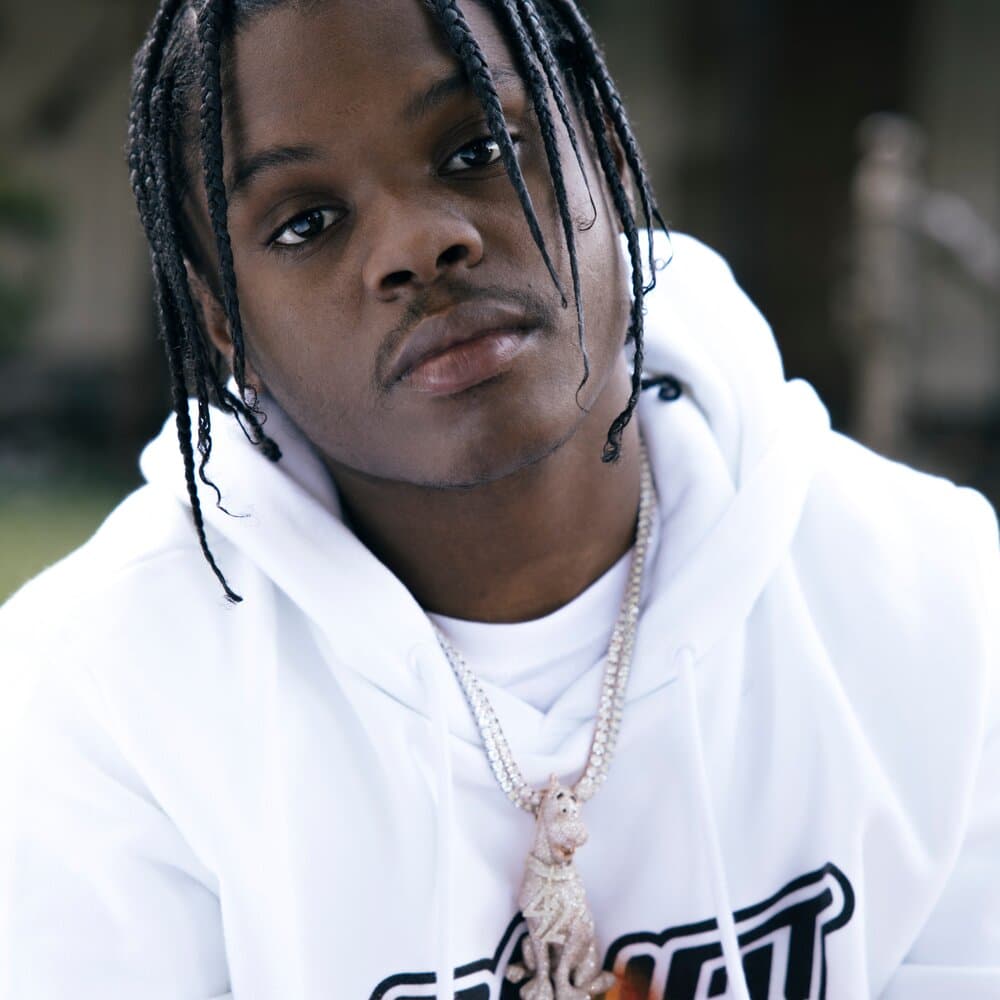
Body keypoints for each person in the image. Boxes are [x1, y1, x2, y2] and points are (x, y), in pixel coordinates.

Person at [0, 1, 997, 997]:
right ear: (223, 319)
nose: (417, 242)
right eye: (306, 222)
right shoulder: (100, 699)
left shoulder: (935, 590)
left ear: (605, 157)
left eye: (478, 148)